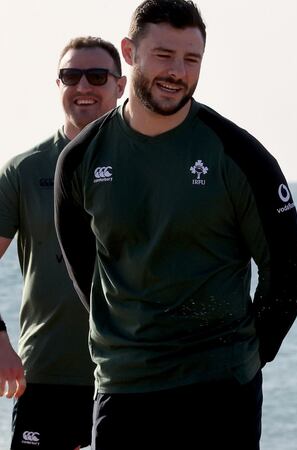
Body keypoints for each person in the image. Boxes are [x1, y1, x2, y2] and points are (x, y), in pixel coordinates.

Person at [53, 1, 297, 449]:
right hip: (124, 384)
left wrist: (248, 355)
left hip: (220, 385)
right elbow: (82, 268)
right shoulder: (79, 160)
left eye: (192, 60)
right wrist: (123, 339)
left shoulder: (239, 155)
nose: (178, 72)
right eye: (164, 55)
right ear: (130, 52)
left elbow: (287, 272)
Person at [0, 36, 126, 450]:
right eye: (71, 76)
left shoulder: (149, 164)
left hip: (133, 375)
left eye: (97, 75)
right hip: (46, 375)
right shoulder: (23, 169)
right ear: (58, 85)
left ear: (121, 85)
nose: (84, 86)